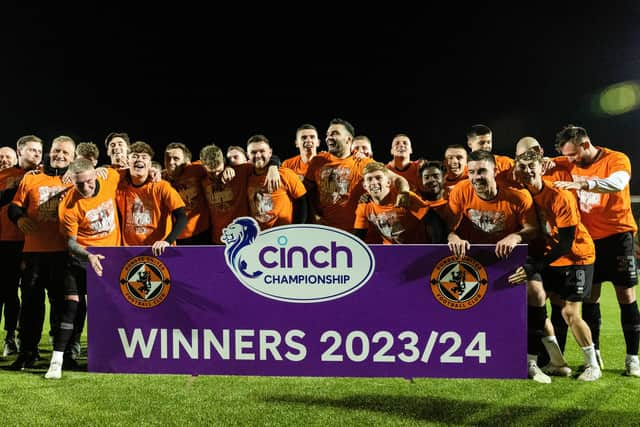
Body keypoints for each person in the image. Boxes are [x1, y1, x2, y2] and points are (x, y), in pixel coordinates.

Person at [446, 150, 543, 382]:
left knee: (536, 293)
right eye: (471, 172)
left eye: (481, 171)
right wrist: (453, 237)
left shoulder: (518, 196)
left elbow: (533, 229)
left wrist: (516, 236)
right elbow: (447, 229)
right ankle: (462, 359)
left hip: (507, 258)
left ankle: (532, 361)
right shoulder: (461, 191)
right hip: (474, 260)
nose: (476, 177)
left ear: (495, 171)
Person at [554, 124, 639, 376]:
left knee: (626, 296)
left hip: (618, 237)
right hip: (588, 241)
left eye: (572, 155)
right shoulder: (569, 161)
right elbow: (545, 163)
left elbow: (617, 182)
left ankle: (632, 358)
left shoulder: (616, 159)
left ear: (585, 145)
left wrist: (584, 185)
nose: (569, 160)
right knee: (591, 298)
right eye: (566, 156)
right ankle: (596, 354)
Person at [509, 149, 601, 381]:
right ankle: (557, 363)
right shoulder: (524, 193)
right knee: (538, 306)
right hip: (555, 256)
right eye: (523, 166)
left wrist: (536, 266)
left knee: (570, 312)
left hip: (578, 256)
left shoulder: (560, 196)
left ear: (542, 167)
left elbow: (567, 242)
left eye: (532, 166)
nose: (528, 170)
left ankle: (593, 365)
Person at [45, 158, 121, 379]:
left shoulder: (109, 178)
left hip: (109, 260)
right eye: (80, 184)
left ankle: (108, 357)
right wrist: (89, 255)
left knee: (108, 308)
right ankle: (56, 362)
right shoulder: (68, 204)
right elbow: (70, 242)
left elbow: (129, 174)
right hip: (80, 260)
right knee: (71, 308)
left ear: (95, 175)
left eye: (89, 181)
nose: (86, 188)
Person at [8, 136, 76, 370]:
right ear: (50, 151)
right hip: (34, 252)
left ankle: (63, 354)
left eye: (66, 153)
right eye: (57, 151)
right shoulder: (32, 177)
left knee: (61, 307)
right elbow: (15, 205)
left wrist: (84, 171)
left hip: (63, 254)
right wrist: (20, 217)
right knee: (30, 306)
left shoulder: (77, 178)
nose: (60, 156)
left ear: (73, 157)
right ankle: (28, 353)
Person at [304, 118, 409, 232]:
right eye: (328, 134)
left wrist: (403, 192)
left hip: (357, 233)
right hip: (326, 232)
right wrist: (313, 215)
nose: (329, 137)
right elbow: (306, 193)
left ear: (348, 139)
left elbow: (398, 179)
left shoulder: (363, 162)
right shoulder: (317, 161)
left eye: (335, 133)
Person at [0, 135, 42, 357]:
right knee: (6, 292)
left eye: (39, 150)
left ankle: (17, 337)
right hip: (4, 242)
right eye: (32, 150)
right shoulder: (5, 175)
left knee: (29, 294)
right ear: (20, 150)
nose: (36, 154)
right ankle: (8, 338)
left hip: (29, 244)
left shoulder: (43, 175)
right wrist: (21, 182)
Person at [116, 141, 187, 254]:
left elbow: (182, 216)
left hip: (159, 251)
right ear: (128, 162)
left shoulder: (161, 186)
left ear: (150, 165)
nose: (139, 159)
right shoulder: (119, 186)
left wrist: (167, 241)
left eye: (144, 157)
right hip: (130, 252)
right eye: (135, 156)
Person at [353, 162, 445, 244]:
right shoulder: (364, 205)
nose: (374, 182)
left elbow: (434, 222)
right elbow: (358, 236)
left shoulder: (405, 197)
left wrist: (435, 250)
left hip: (416, 250)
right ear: (364, 186)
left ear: (388, 182)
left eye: (378, 178)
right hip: (391, 252)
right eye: (369, 179)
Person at [246, 135, 307, 228]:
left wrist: (296, 229)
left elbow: (303, 202)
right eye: (253, 152)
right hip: (258, 236)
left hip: (283, 236)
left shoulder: (285, 173)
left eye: (262, 151)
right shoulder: (247, 177)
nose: (258, 155)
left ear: (270, 152)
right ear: (248, 155)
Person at [163, 142, 212, 244]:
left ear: (186, 162)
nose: (171, 162)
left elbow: (217, 165)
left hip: (202, 232)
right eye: (168, 158)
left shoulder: (196, 169)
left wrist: (227, 169)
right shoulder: (161, 177)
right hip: (177, 235)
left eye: (176, 158)